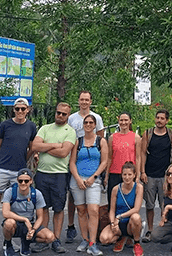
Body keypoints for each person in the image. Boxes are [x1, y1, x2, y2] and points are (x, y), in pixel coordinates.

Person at [0, 98, 38, 256]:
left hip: (18, 173)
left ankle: (8, 241)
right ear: (14, 110)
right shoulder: (5, 125)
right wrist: (4, 160)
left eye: (23, 109)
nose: (20, 112)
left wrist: (24, 161)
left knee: (16, 207)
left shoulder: (31, 126)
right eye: (17, 109)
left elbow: (31, 147)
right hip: (2, 170)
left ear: (28, 110)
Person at [31, 102, 77, 253]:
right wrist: (56, 145)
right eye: (58, 113)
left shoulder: (70, 131)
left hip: (59, 175)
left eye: (64, 114)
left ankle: (56, 239)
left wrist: (46, 146)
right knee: (42, 208)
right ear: (55, 112)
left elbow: (64, 153)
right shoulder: (45, 128)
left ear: (68, 115)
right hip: (42, 174)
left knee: (58, 208)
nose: (60, 116)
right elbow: (35, 147)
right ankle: (45, 238)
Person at [66, 91, 105, 243]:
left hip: (92, 164)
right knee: (75, 202)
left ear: (90, 101)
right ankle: (71, 227)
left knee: (92, 208)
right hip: (75, 160)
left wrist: (97, 175)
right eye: (81, 99)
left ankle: (92, 238)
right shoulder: (72, 118)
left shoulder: (97, 118)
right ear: (79, 101)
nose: (84, 102)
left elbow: (101, 139)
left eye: (86, 99)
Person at [69, 114, 108, 255]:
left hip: (94, 180)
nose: (89, 125)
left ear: (95, 125)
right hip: (78, 179)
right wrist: (78, 179)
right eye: (86, 122)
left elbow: (104, 161)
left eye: (91, 122)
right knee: (81, 210)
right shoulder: (78, 142)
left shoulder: (101, 141)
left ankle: (93, 243)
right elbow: (72, 162)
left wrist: (94, 176)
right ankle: (84, 239)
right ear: (83, 124)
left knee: (93, 210)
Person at [0, 168, 55, 256]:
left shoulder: (37, 194)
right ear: (17, 181)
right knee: (9, 223)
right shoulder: (10, 192)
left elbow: (40, 217)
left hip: (30, 224)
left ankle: (26, 242)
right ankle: (8, 244)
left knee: (50, 237)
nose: (23, 183)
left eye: (26, 181)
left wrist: (33, 230)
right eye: (20, 180)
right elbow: (5, 213)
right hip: (16, 223)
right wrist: (25, 219)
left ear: (31, 181)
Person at [140, 109, 172, 243]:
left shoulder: (171, 134)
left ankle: (162, 230)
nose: (159, 120)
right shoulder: (148, 134)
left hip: (166, 177)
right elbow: (143, 153)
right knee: (149, 205)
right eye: (157, 118)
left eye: (162, 118)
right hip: (150, 175)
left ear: (166, 120)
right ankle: (149, 230)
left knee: (164, 205)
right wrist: (142, 172)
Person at [99, 161, 144, 256]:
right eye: (124, 174)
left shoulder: (138, 187)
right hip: (118, 223)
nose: (127, 177)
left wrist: (119, 216)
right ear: (121, 175)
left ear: (134, 175)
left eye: (130, 174)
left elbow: (136, 209)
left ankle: (136, 243)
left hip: (130, 222)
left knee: (136, 217)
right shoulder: (116, 189)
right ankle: (121, 237)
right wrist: (112, 223)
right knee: (104, 239)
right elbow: (112, 210)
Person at [105, 112, 142, 206]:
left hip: (129, 174)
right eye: (121, 120)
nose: (123, 122)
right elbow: (109, 157)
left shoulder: (136, 137)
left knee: (129, 203)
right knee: (113, 201)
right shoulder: (112, 137)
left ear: (130, 121)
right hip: (114, 172)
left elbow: (138, 158)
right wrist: (106, 175)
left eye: (126, 120)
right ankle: (112, 220)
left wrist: (137, 175)